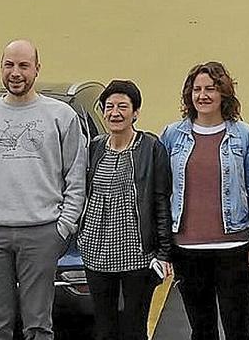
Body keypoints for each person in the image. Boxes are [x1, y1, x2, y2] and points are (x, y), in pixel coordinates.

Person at [0, 39, 87, 340]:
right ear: (1, 68)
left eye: (24, 65)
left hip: (42, 232)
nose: (16, 72)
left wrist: (63, 227)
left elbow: (75, 178)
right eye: (9, 65)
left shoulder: (61, 116)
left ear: (37, 69)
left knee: (39, 327)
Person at [160, 61, 249, 340]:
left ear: (224, 94)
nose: (202, 95)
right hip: (187, 250)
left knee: (238, 330)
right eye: (197, 89)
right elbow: (163, 191)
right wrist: (164, 247)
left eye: (211, 89)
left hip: (233, 247)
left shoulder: (245, 135)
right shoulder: (172, 135)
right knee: (201, 330)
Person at [78, 79, 173, 340]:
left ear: (135, 113)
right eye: (109, 107)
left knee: (134, 327)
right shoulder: (95, 147)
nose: (115, 113)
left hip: (136, 254)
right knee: (104, 327)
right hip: (96, 252)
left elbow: (161, 201)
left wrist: (164, 252)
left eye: (122, 106)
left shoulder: (151, 148)